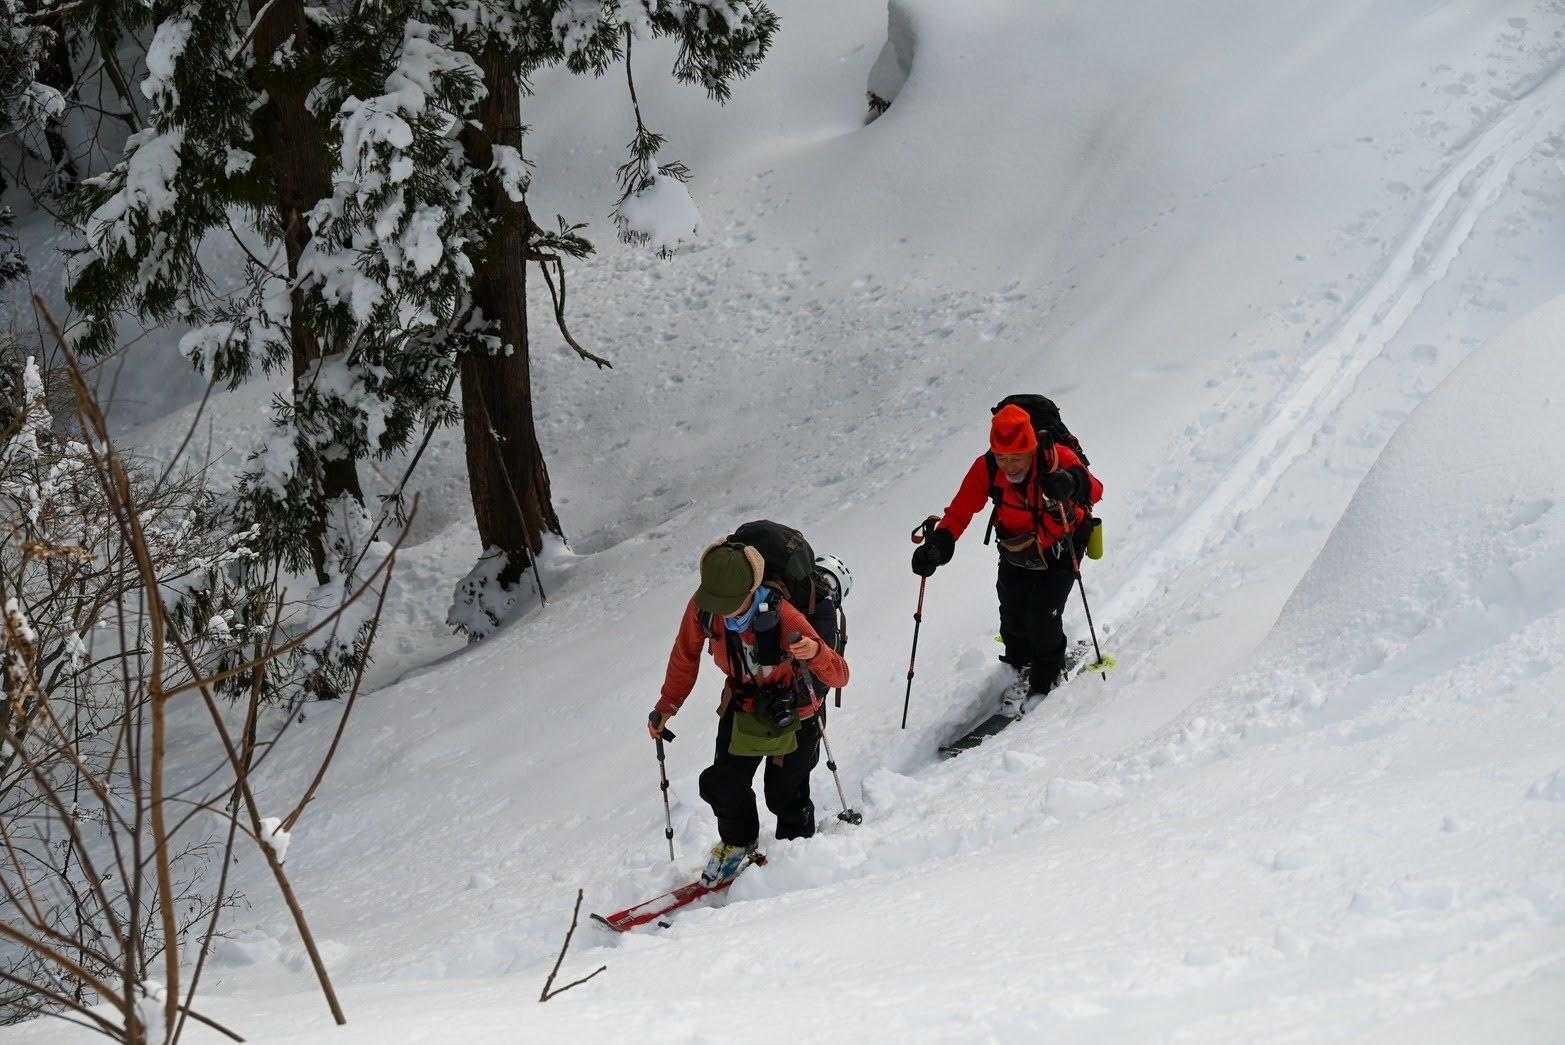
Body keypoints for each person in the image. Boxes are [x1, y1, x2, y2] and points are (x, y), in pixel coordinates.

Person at [649, 541, 850, 884]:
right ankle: (739, 842)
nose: (724, 613)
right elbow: (685, 655)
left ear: (752, 589)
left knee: (785, 795)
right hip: (743, 704)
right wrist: (667, 705)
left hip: (796, 711)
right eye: (718, 603)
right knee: (720, 783)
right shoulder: (705, 606)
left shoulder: (786, 616)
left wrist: (816, 651)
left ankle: (799, 857)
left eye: (731, 605)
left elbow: (840, 675)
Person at [911, 403, 1103, 699]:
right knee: (1012, 614)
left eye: (1017, 458)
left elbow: (1097, 490)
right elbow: (960, 510)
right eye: (1002, 457)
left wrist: (1071, 482)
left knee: (1042, 616)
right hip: (1017, 546)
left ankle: (1046, 679)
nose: (1009, 466)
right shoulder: (987, 467)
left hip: (1063, 544)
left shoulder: (1055, 458)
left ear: (1031, 449)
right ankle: (1019, 664)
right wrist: (938, 545)